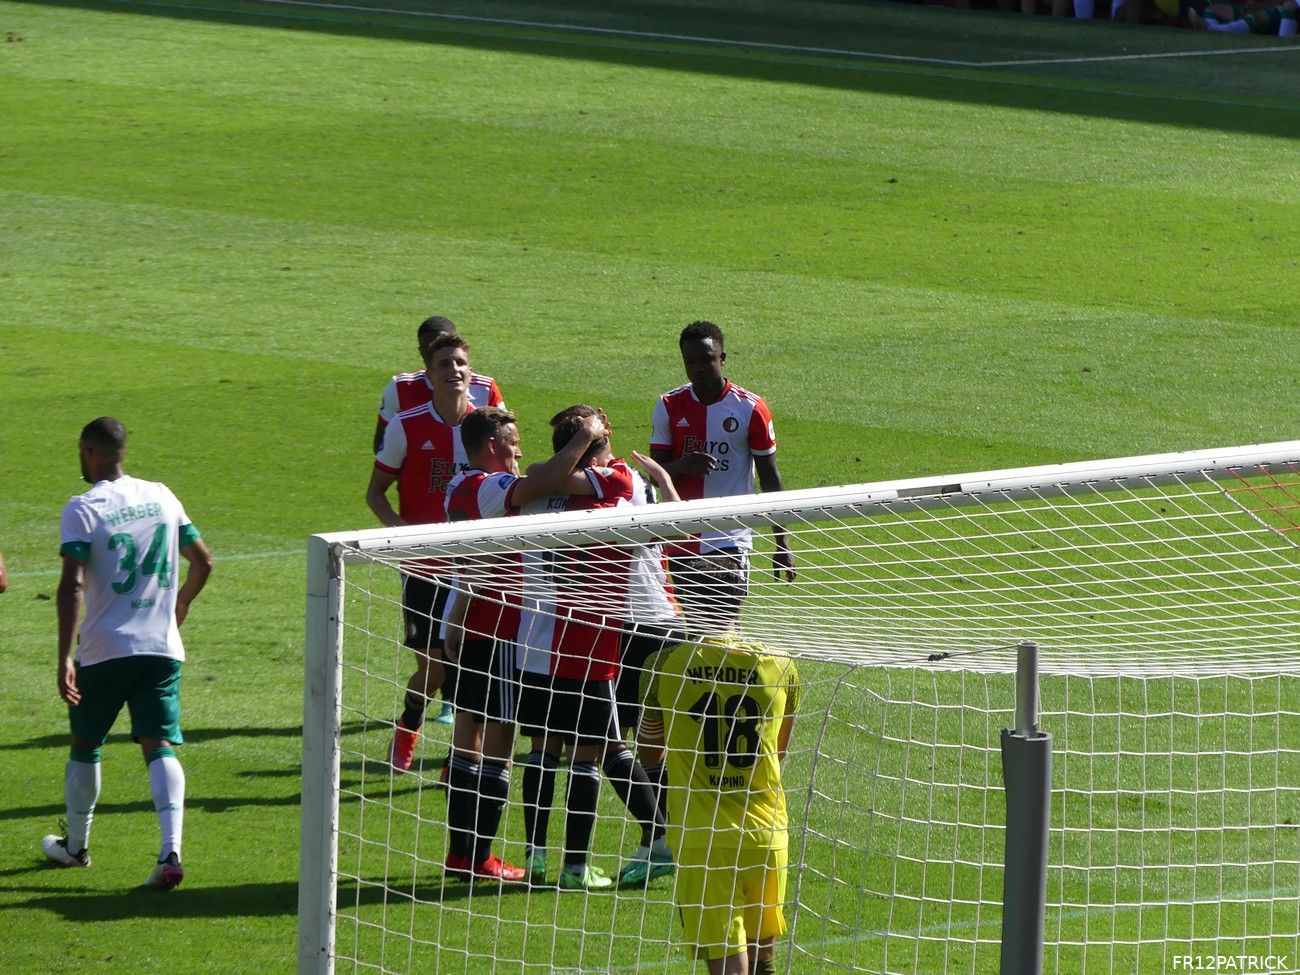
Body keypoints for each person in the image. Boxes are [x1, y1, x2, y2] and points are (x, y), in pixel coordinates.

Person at [440, 405, 609, 882]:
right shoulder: (486, 486)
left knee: (468, 736)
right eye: (513, 443)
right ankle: (478, 857)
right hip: (501, 632)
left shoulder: (456, 488)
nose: (519, 452)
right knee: (497, 743)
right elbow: (541, 483)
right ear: (492, 446)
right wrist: (586, 438)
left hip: (472, 624)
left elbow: (471, 567)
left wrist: (454, 614)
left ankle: (462, 851)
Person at [44, 417, 213, 891]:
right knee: (158, 743)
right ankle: (170, 850)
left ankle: (76, 848)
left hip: (104, 647)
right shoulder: (162, 493)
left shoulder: (83, 508)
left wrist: (63, 656)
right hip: (161, 647)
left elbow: (73, 583)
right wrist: (181, 602)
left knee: (86, 742)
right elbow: (203, 561)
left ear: (88, 453)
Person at [513, 404, 675, 891]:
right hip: (602, 637)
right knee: (603, 749)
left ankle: (539, 856)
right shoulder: (620, 483)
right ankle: (650, 844)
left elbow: (544, 476)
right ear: (597, 446)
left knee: (547, 748)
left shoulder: (534, 490)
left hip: (536, 641)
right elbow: (678, 531)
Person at [639, 563, 799, 975]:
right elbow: (778, 752)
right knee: (764, 956)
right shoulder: (780, 664)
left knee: (727, 960)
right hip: (766, 831)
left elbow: (649, 755)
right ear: (740, 600)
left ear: (686, 602)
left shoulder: (664, 664)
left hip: (702, 838)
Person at [365, 333, 477, 771]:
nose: (454, 370)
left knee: (472, 666)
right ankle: (409, 725)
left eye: (461, 363)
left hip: (475, 568)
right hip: (424, 567)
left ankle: (459, 758)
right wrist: (401, 535)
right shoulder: (406, 426)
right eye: (445, 364)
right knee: (434, 669)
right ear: (428, 375)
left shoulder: (488, 424)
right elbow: (375, 493)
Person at [650, 321, 795, 632]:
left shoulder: (750, 408)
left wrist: (781, 542)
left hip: (729, 537)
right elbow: (656, 474)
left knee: (721, 626)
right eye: (690, 361)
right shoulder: (668, 406)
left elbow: (770, 478)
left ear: (722, 357)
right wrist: (683, 465)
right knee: (700, 630)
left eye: (707, 359)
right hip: (683, 537)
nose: (698, 368)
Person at [373, 315, 503, 454]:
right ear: (421, 352)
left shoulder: (485, 388)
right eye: (429, 348)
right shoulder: (401, 387)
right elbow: (382, 443)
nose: (434, 352)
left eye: (442, 345)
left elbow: (506, 441)